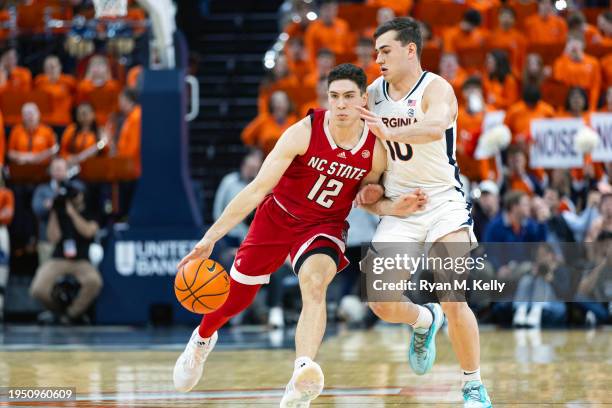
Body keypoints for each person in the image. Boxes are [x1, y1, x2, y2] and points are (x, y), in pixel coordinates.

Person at [172, 64, 427, 406]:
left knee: (315, 285)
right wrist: (211, 238)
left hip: (324, 225)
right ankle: (201, 340)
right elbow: (257, 188)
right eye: (334, 96)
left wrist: (393, 206)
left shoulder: (377, 150)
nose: (340, 104)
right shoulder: (303, 131)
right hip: (277, 218)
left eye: (349, 97)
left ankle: (301, 375)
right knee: (236, 299)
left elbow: (371, 202)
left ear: (363, 99)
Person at [357, 17, 492, 407]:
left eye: (385, 50)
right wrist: (374, 194)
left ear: (410, 49)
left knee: (453, 293)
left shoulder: (437, 88)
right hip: (400, 206)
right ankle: (423, 321)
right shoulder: (373, 94)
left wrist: (390, 130)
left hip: (442, 201)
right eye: (376, 51)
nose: (378, 58)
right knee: (380, 302)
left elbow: (434, 127)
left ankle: (473, 385)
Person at [29, 180, 102, 324]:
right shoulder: (60, 211)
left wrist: (72, 213)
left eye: (76, 194)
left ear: (82, 195)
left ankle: (71, 314)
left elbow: (88, 232)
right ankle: (57, 311)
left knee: (94, 281)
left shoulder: (90, 211)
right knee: (37, 288)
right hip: (59, 258)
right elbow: (52, 237)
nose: (74, 197)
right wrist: (55, 211)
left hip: (81, 260)